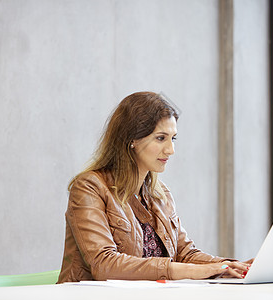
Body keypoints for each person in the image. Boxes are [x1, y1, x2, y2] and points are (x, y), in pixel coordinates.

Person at [57, 91, 250, 283]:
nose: (171, 150)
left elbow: (184, 254)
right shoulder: (89, 187)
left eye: (173, 138)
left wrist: (227, 266)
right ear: (132, 139)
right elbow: (104, 264)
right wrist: (184, 270)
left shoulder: (160, 194)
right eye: (160, 138)